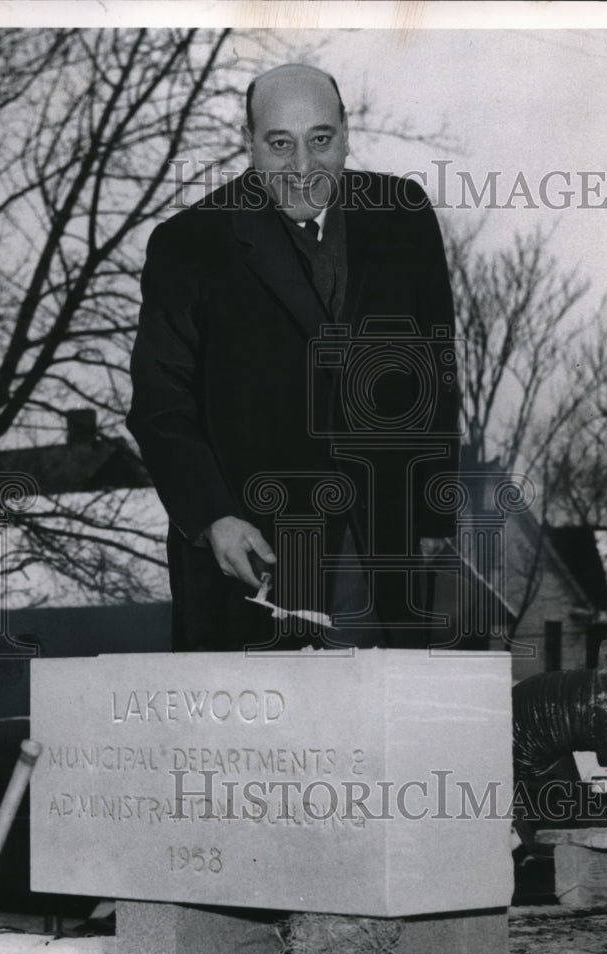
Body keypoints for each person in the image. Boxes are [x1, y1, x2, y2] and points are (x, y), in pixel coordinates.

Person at [127, 64, 460, 652]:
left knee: (389, 732)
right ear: (248, 142)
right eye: (280, 144)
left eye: (321, 140)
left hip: (381, 556)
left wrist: (431, 517)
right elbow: (160, 403)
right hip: (253, 559)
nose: (303, 166)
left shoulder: (403, 216)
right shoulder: (189, 243)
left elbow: (434, 373)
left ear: (347, 132)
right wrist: (213, 519)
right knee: (254, 741)